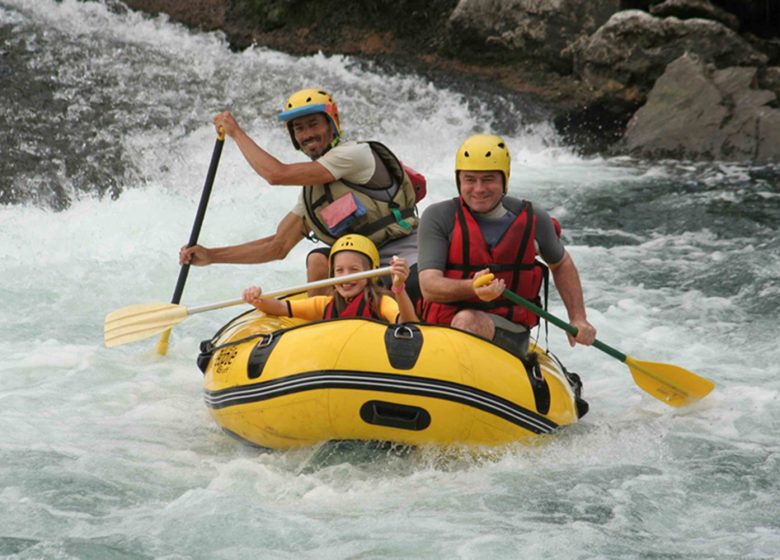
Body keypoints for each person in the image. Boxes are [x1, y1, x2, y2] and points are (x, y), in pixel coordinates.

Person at [179, 88, 421, 300]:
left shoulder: (354, 155)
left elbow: (276, 174)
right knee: (318, 259)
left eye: (314, 124)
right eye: (299, 128)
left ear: (332, 123)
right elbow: (278, 246)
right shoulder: (314, 192)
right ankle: (322, 326)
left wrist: (236, 133)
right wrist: (211, 256)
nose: (307, 135)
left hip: (402, 255)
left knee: (410, 284)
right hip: (359, 266)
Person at [417, 134, 596, 357]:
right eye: (470, 179)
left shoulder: (533, 219)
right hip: (442, 328)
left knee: (468, 321)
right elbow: (429, 286)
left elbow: (561, 264)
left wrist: (578, 317)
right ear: (459, 181)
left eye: (489, 179)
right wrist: (470, 288)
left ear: (505, 179)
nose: (479, 188)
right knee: (463, 321)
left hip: (507, 329)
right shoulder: (439, 217)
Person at [243, 234, 418, 323]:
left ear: (371, 272)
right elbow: (280, 307)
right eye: (339, 270)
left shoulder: (381, 302)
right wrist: (257, 299)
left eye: (354, 270)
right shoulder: (325, 304)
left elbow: (408, 323)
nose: (346, 277)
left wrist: (399, 287)